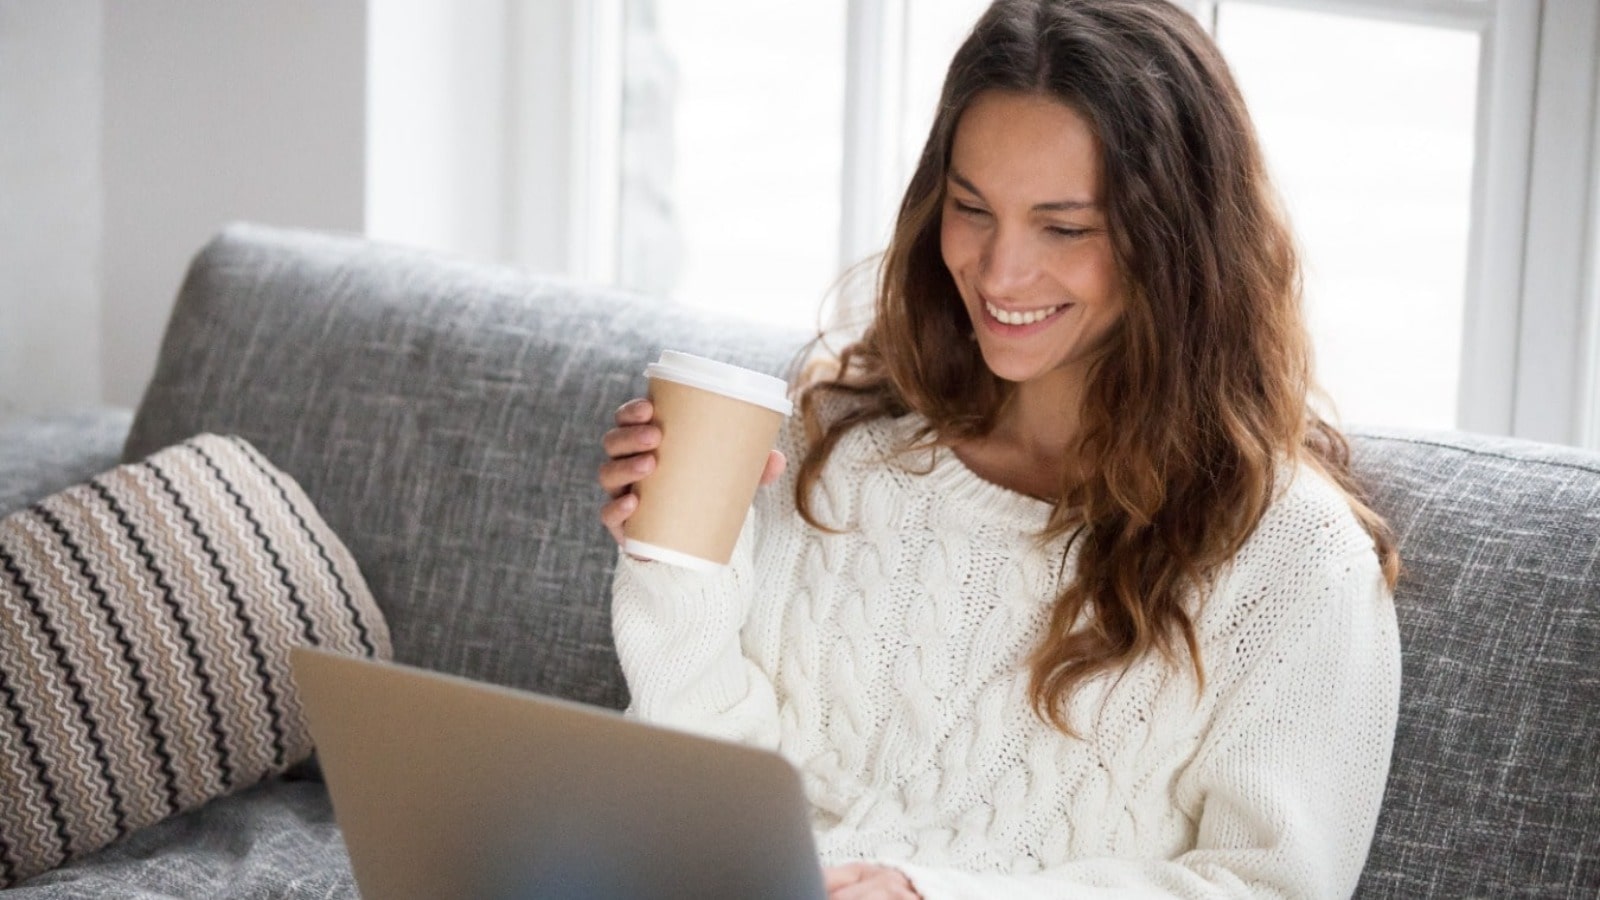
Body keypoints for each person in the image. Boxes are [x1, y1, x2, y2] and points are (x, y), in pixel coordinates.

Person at [597, 0, 1402, 897]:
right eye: (971, 208)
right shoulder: (838, 442)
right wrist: (677, 563)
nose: (999, 271)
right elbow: (708, 794)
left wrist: (932, 893)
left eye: (1064, 228)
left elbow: (1270, 888)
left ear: (1179, 244)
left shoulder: (1294, 561)